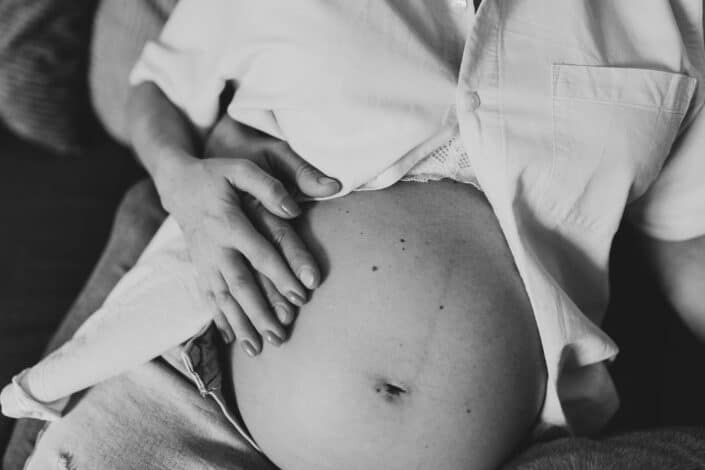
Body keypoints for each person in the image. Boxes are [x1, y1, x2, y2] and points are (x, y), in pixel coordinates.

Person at [6, 0, 705, 468]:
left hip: (519, 442)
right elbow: (156, 83)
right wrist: (176, 178)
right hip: (194, 383)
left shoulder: (675, 18)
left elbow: (680, 246)